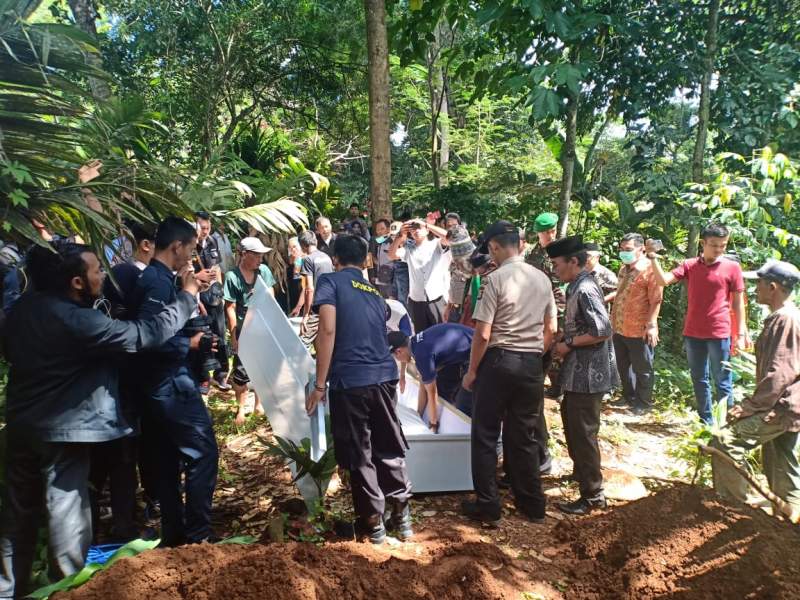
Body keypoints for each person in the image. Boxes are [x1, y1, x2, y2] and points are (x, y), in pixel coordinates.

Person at [0, 240, 200, 598]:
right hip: (63, 432)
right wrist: (186, 297)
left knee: (18, 517)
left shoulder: (21, 310)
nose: (102, 276)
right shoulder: (78, 320)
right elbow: (143, 335)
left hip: (20, 426)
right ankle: (65, 590)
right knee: (66, 514)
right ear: (77, 282)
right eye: (96, 271)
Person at [305, 234, 412, 544]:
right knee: (388, 443)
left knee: (359, 451)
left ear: (335, 259)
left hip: (349, 381)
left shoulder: (330, 282)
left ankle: (374, 523)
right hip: (382, 377)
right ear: (366, 260)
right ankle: (402, 517)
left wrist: (320, 384)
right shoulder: (374, 293)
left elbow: (327, 329)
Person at [131, 217, 220, 547]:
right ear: (176, 246)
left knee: (168, 459)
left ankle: (174, 535)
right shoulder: (155, 283)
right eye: (191, 248)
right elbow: (148, 335)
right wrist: (190, 344)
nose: (193, 256)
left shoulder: (161, 279)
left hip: (160, 384)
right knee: (203, 452)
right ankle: (198, 536)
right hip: (168, 383)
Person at [459, 221, 555, 527]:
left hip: (499, 362)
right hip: (531, 363)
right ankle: (533, 504)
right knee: (524, 435)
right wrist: (533, 356)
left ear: (495, 247)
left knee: (486, 434)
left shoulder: (494, 279)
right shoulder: (542, 278)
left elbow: (483, 333)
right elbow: (551, 329)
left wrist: (472, 371)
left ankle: (489, 505)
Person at [711, 260, 800, 515]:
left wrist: (749, 407)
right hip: (788, 406)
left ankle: (734, 511)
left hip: (782, 406)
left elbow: (779, 373)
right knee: (780, 460)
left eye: (759, 283)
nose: (755, 289)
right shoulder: (786, 318)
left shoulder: (785, 321)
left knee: (725, 440)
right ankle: (789, 516)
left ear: (772, 287)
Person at [648, 222, 749, 424]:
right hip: (693, 332)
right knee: (699, 379)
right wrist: (653, 259)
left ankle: (725, 425)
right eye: (714, 245)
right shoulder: (690, 265)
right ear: (703, 243)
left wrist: (741, 332)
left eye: (723, 245)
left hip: (720, 332)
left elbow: (738, 303)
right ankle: (706, 421)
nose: (719, 249)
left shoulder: (732, 267)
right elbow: (663, 281)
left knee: (723, 381)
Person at [549, 236, 619, 516]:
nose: (554, 270)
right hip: (579, 372)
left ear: (573, 262)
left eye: (557, 264)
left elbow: (602, 330)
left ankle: (593, 494)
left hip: (590, 374)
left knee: (583, 432)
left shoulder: (586, 289)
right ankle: (582, 475)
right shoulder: (576, 286)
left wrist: (569, 344)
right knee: (572, 423)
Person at [224, 237, 276, 426]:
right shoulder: (232, 277)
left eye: (261, 255)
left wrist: (262, 296)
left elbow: (271, 295)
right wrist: (234, 335)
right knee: (241, 371)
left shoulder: (263, 272)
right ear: (244, 255)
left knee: (261, 368)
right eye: (256, 255)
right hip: (243, 329)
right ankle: (240, 408)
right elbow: (230, 307)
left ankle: (258, 405)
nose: (260, 259)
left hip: (263, 328)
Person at [610, 233, 663, 414]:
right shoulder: (624, 269)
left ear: (641, 249)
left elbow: (656, 299)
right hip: (619, 326)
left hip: (639, 328)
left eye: (628, 249)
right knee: (623, 365)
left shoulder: (650, 270)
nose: (624, 253)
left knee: (643, 367)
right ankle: (628, 397)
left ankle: (644, 402)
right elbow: (619, 294)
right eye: (622, 249)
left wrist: (652, 325)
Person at [388, 323, 474, 428]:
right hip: (468, 346)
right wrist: (418, 416)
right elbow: (423, 386)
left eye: (395, 357)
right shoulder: (415, 343)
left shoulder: (422, 356)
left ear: (398, 351)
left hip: (480, 351)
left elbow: (432, 393)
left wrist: (433, 424)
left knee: (463, 406)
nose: (397, 360)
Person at [525, 212, 567, 399]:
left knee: (556, 347)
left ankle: (558, 387)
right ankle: (537, 382)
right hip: (535, 306)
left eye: (553, 230)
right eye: (546, 232)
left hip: (557, 305)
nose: (551, 235)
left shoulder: (561, 251)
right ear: (538, 233)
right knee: (538, 344)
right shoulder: (532, 253)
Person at [388, 218, 452, 333]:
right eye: (412, 229)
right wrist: (400, 235)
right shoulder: (408, 249)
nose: (416, 230)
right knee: (421, 335)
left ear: (426, 230)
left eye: (419, 227)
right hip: (416, 300)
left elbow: (449, 237)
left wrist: (427, 225)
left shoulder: (436, 244)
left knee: (440, 333)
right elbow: (391, 255)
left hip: (436, 298)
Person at [195, 211, 230, 392]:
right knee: (202, 335)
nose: (205, 231)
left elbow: (217, 268)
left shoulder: (212, 241)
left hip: (214, 295)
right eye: (202, 227)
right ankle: (204, 377)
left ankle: (221, 373)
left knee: (220, 333)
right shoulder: (190, 246)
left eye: (208, 227)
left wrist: (221, 293)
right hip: (196, 295)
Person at [298, 230, 334, 348]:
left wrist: (306, 315)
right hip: (331, 305)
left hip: (317, 307)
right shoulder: (326, 257)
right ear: (316, 242)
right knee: (323, 342)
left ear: (303, 246)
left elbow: (309, 288)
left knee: (302, 342)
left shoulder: (308, 260)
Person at [445, 224, 475, 323]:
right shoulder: (457, 264)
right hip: (456, 309)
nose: (458, 267)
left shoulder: (483, 270)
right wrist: (449, 307)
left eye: (460, 262)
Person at [370, 219, 395, 299]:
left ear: (388, 229)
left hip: (393, 281)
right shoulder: (379, 243)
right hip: (381, 279)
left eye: (382, 229)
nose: (379, 232)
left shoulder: (394, 241)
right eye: (377, 230)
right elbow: (374, 259)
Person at [288, 236, 307, 317]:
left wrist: (298, 307)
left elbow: (306, 287)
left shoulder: (306, 262)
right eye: (290, 247)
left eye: (295, 246)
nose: (293, 249)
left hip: (304, 305)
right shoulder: (290, 265)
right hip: (294, 303)